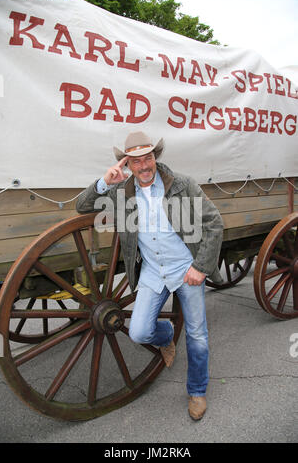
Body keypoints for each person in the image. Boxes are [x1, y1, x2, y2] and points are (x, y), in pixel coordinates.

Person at [76, 131, 223, 420]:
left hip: (186, 268)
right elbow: (82, 206)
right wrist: (105, 182)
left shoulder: (182, 185)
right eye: (135, 161)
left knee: (197, 336)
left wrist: (201, 267)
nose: (143, 166)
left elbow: (214, 223)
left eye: (148, 158)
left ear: (155, 158)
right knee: (139, 332)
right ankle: (166, 334)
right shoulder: (121, 192)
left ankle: (197, 391)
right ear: (126, 164)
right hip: (153, 272)